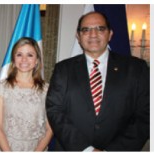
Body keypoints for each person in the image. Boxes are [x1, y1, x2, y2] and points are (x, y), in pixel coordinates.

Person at [46, 11, 149, 151]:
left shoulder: (136, 68)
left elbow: (145, 116)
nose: (93, 34)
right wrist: (87, 149)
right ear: (78, 36)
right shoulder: (63, 69)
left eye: (100, 29)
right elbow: (54, 111)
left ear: (110, 34)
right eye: (86, 29)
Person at [0, 37, 53, 151]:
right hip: (7, 148)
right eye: (19, 54)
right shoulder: (0, 88)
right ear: (13, 60)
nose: (24, 59)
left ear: (37, 60)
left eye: (30, 55)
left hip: (37, 148)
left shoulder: (47, 90)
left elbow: (50, 128)